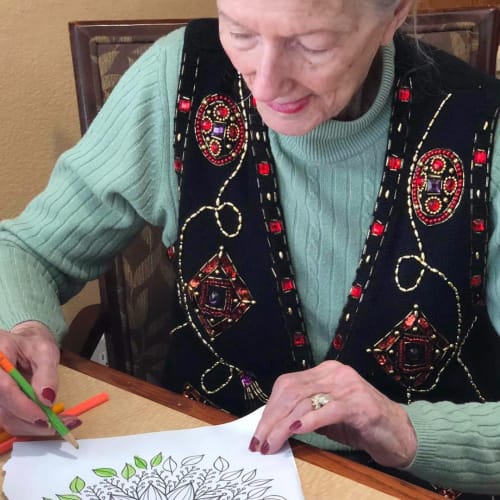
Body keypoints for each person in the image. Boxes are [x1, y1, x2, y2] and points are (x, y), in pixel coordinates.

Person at [0, 0, 499, 496]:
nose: (262, 86)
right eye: (240, 33)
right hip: (203, 464)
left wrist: (408, 431)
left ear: (393, 15)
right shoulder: (179, 78)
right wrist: (23, 326)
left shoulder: (484, 131)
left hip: (410, 486)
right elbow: (24, 249)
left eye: (311, 44)